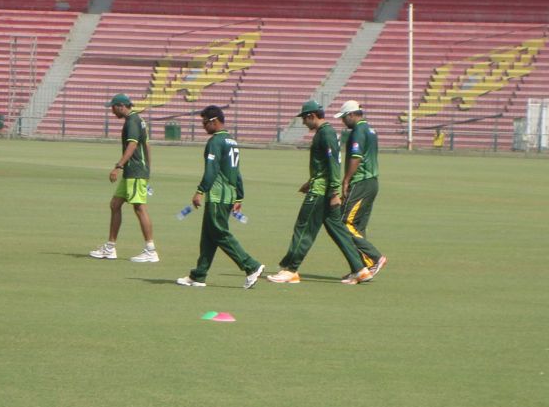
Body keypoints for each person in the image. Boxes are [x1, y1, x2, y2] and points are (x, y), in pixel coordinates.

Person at [267, 100, 370, 285]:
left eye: (304, 119)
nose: (304, 123)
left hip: (321, 192)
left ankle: (290, 270)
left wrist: (333, 193)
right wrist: (310, 182)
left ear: (311, 116)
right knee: (338, 231)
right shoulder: (326, 132)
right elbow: (324, 165)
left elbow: (333, 164)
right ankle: (360, 269)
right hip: (321, 187)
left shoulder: (326, 133)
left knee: (303, 229)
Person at [176, 106, 266, 289]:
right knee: (208, 236)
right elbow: (236, 171)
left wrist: (200, 190)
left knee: (218, 232)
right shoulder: (231, 141)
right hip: (229, 193)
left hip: (218, 194)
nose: (203, 126)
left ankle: (251, 266)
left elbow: (212, 170)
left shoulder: (215, 142)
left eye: (204, 122)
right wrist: (239, 196)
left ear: (214, 121)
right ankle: (198, 275)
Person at [89, 93, 159, 262]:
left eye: (113, 107)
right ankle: (110, 248)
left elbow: (133, 144)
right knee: (115, 204)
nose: (112, 111)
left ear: (121, 106)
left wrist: (118, 166)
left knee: (139, 208)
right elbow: (147, 145)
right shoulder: (139, 120)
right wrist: (148, 168)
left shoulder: (133, 121)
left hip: (134, 172)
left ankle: (151, 250)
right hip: (134, 171)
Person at [337, 100, 387, 279]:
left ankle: (375, 257)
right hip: (372, 181)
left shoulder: (358, 131)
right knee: (358, 226)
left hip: (361, 182)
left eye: (344, 117)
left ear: (351, 115)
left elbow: (356, 157)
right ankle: (363, 268)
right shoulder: (371, 130)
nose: (343, 121)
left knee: (344, 224)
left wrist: (346, 180)